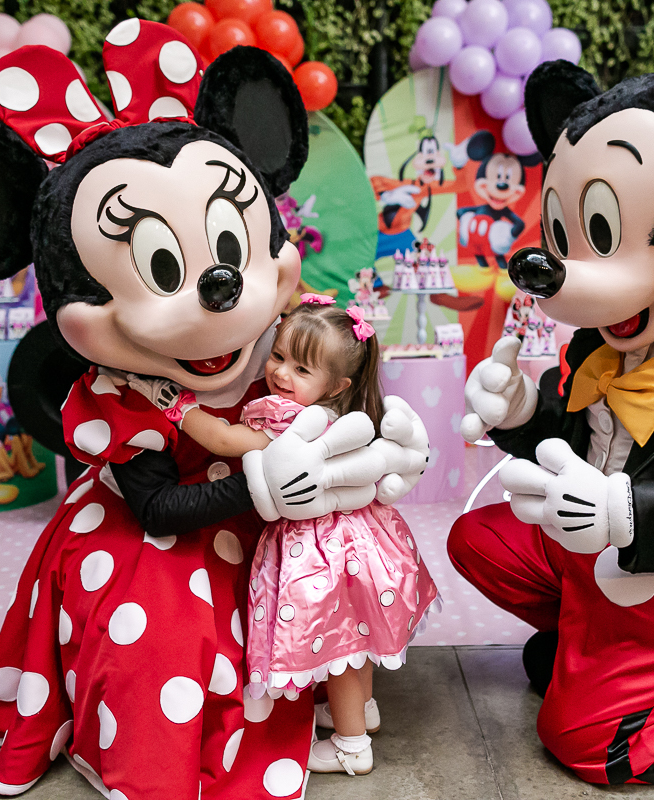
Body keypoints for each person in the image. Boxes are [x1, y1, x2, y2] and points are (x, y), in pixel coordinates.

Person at [139, 295, 439, 777]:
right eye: (278, 356)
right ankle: (362, 712)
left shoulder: (289, 418)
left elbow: (224, 441)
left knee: (341, 648)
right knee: (358, 635)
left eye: (301, 369)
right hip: (365, 539)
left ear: (336, 384)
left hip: (320, 549)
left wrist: (176, 405)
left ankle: (351, 746)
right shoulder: (342, 408)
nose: (280, 373)